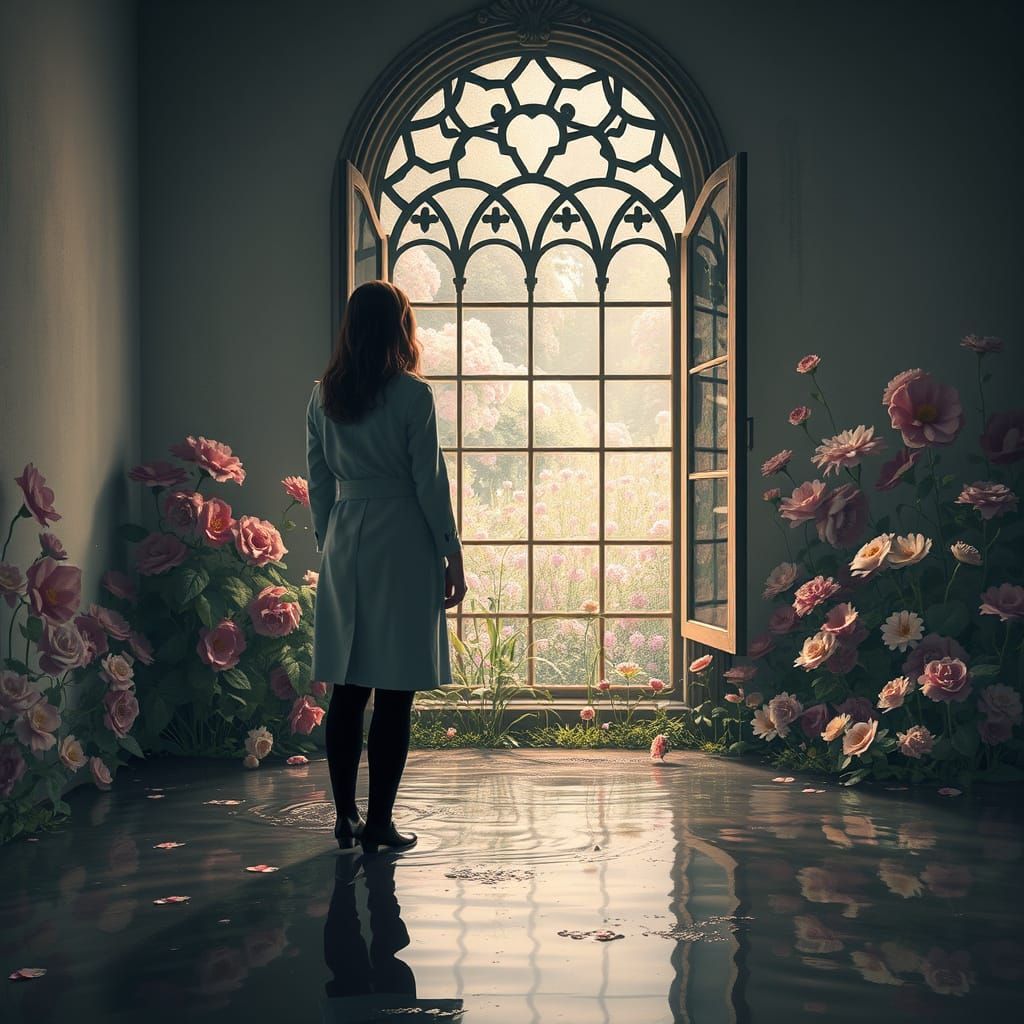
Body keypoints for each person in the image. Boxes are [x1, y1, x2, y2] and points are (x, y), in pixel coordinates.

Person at [306, 280, 467, 854]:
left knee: (347, 688)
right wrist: (451, 552)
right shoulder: (411, 396)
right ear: (401, 327)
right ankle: (380, 823)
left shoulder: (323, 396)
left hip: (347, 538)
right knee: (396, 690)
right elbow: (429, 480)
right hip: (402, 540)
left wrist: (332, 545)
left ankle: (344, 818)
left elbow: (319, 483)